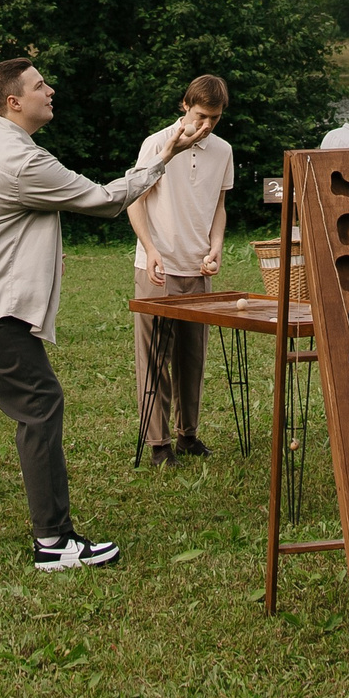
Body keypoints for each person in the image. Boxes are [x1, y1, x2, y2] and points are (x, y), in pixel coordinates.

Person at [0, 57, 201, 572]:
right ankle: (54, 541)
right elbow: (103, 199)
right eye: (39, 85)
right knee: (41, 404)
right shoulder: (22, 163)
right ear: (14, 101)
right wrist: (165, 154)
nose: (51, 90)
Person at [128, 75, 235, 466]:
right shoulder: (157, 144)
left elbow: (218, 206)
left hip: (197, 268)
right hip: (157, 267)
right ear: (184, 106)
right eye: (202, 115)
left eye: (216, 119)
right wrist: (151, 248)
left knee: (193, 357)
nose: (207, 125)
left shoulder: (223, 151)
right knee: (154, 356)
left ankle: (188, 434)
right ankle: (158, 444)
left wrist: (217, 246)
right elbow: (134, 200)